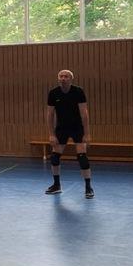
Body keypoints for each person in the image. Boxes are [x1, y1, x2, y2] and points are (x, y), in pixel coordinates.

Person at [45, 70, 93, 198]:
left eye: (66, 76)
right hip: (62, 128)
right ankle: (56, 185)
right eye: (61, 76)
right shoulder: (53, 93)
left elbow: (84, 113)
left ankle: (88, 187)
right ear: (58, 78)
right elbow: (50, 114)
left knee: (82, 157)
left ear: (71, 79)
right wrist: (51, 134)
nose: (63, 78)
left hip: (77, 127)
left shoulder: (78, 91)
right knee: (55, 157)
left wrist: (87, 133)